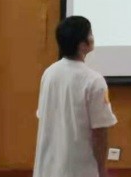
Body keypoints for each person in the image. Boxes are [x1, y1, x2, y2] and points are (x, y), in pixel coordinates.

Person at [33, 16, 117, 177]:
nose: (93, 37)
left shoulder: (49, 73)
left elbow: (44, 117)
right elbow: (100, 132)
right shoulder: (94, 80)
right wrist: (102, 169)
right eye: (90, 33)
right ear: (82, 44)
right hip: (79, 170)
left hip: (47, 169)